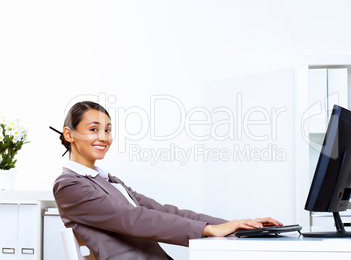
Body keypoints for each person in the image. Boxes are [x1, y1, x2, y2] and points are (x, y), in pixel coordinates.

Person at [53, 101, 282, 260]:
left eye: (108, 130)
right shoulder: (69, 185)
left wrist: (237, 225)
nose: (103, 137)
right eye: (94, 129)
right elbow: (133, 218)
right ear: (69, 134)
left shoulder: (107, 180)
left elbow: (164, 211)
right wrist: (209, 230)